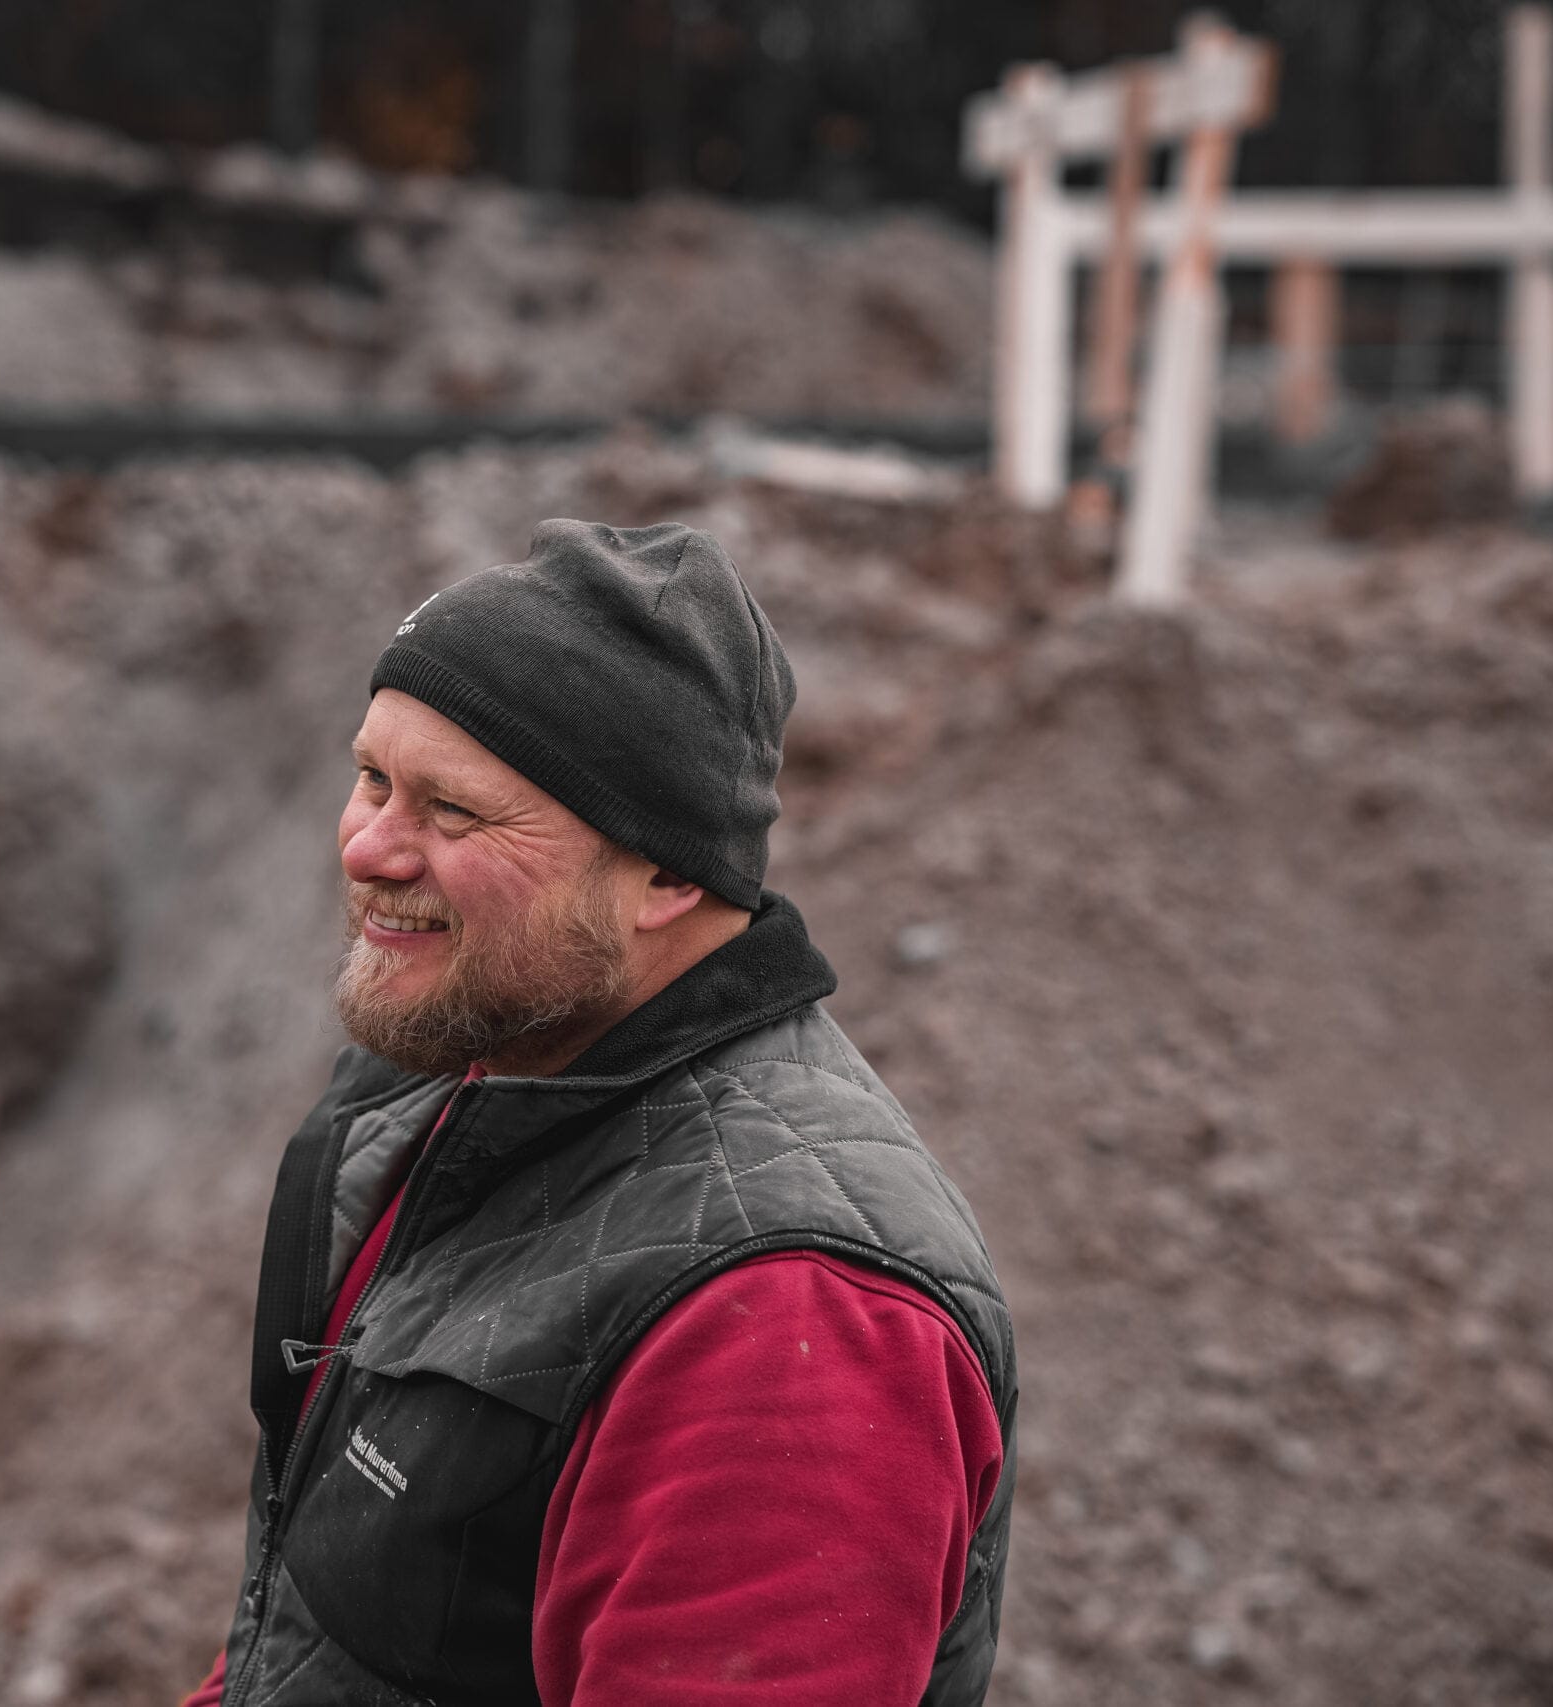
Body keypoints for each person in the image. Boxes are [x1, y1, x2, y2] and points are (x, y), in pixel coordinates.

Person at [184, 520, 1015, 1707]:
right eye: (373, 780)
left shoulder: (790, 1324)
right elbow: (316, 1635)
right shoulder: (456, 1073)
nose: (369, 847)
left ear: (665, 875)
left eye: (452, 812)